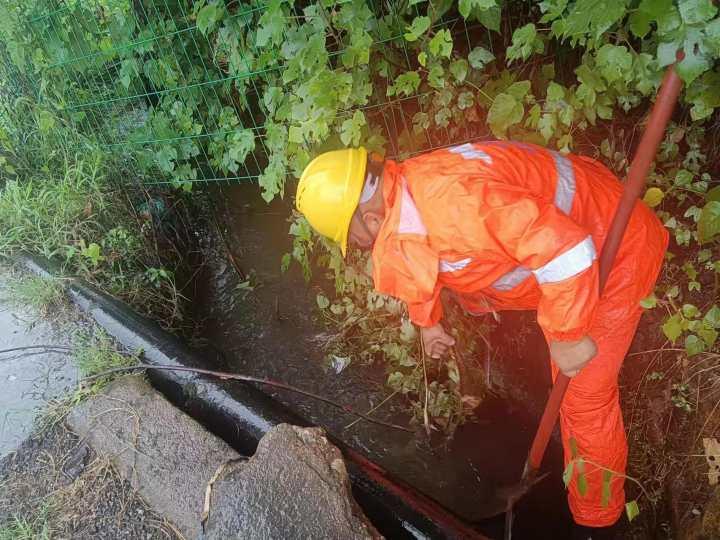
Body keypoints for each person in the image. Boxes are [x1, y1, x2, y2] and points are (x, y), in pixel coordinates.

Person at [295, 141, 667, 538]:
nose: (359, 248)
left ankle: (599, 523)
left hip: (613, 251)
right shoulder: (405, 189)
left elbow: (567, 250)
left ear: (368, 218)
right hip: (582, 229)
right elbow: (412, 253)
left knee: (584, 400)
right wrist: (428, 322)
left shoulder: (454, 206)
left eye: (353, 239)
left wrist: (566, 335)